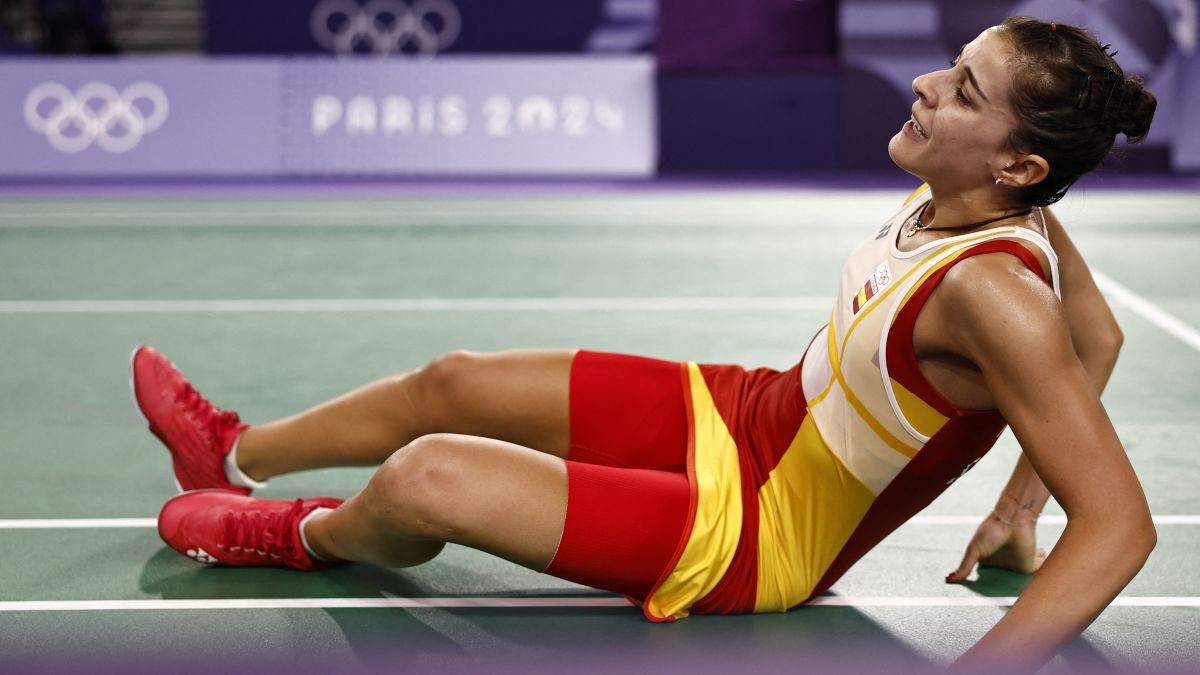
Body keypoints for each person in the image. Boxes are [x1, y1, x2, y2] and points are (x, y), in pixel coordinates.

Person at [132, 17, 1157, 672]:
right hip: (748, 411)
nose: (930, 83)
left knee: (424, 479)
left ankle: (303, 534)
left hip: (758, 529)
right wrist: (1018, 512)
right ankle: (235, 451)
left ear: (1021, 162)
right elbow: (1100, 335)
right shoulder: (984, 197)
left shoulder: (992, 291)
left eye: (966, 91)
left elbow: (1117, 528)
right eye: (956, 62)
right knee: (454, 381)